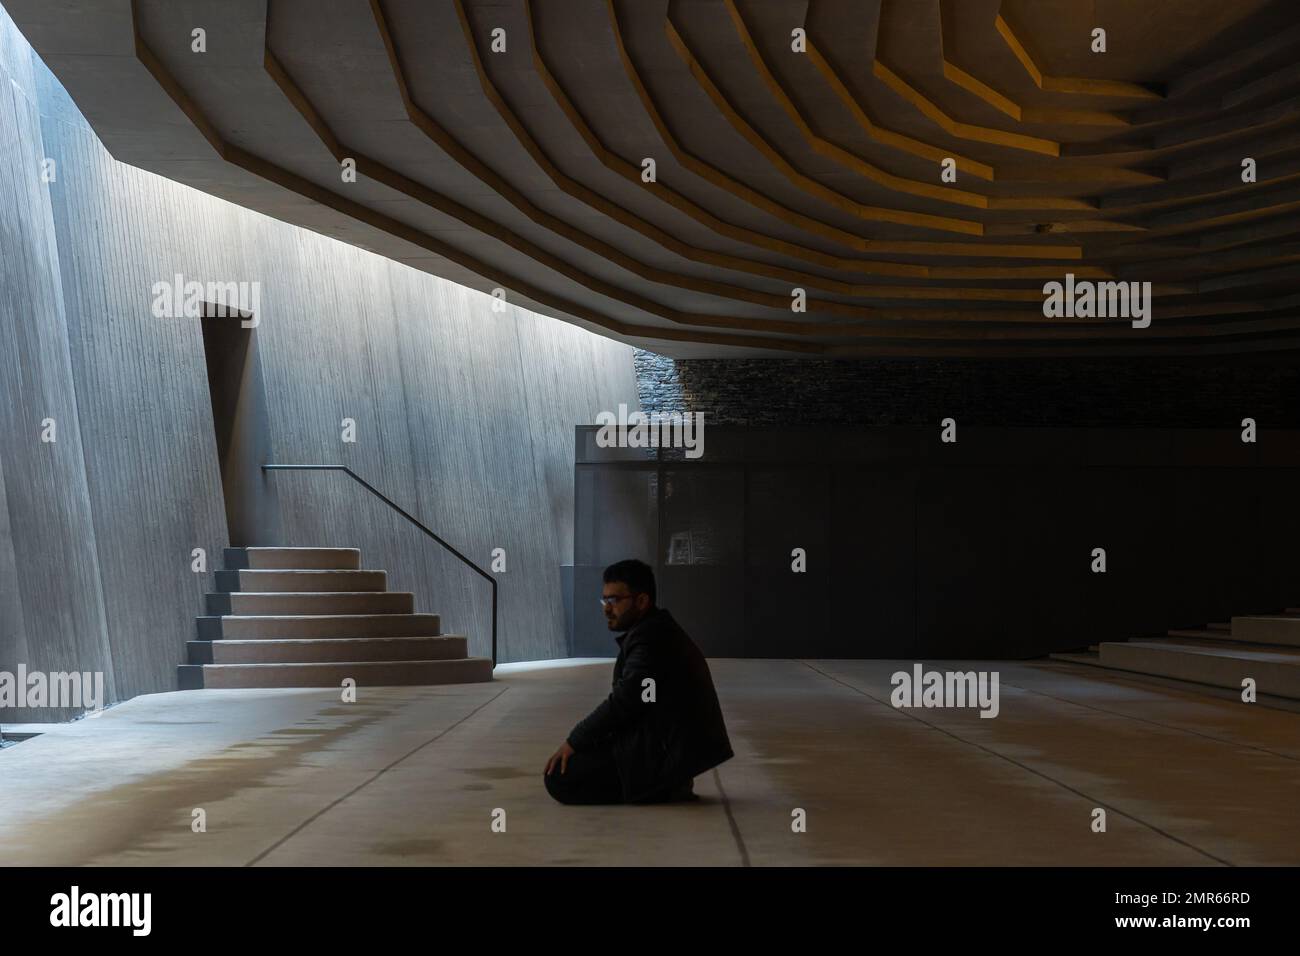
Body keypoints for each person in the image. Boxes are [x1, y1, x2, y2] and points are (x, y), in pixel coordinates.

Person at [544, 559, 733, 805]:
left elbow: (627, 699)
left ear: (642, 601)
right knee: (582, 758)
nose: (606, 608)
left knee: (559, 777)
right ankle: (665, 782)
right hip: (667, 746)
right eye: (604, 600)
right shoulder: (654, 630)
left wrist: (575, 739)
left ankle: (661, 786)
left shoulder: (650, 639)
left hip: (665, 751)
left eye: (614, 600)